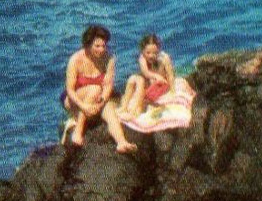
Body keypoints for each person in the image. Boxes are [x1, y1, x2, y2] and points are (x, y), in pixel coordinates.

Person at [63, 24, 136, 152]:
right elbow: (70, 89)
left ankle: (121, 142)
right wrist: (84, 106)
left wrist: (101, 102)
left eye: (103, 46)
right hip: (75, 99)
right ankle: (78, 131)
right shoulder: (75, 59)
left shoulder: (109, 59)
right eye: (97, 46)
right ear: (88, 44)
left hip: (97, 99)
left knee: (109, 111)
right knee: (95, 89)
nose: (101, 49)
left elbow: (108, 86)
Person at [121, 33, 182, 118]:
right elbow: (146, 72)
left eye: (155, 53)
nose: (151, 56)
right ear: (142, 51)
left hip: (161, 86)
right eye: (148, 52)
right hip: (149, 84)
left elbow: (170, 75)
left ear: (159, 50)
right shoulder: (142, 58)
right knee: (132, 79)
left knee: (140, 84)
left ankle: (135, 112)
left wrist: (173, 91)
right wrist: (156, 76)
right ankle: (123, 108)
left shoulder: (164, 58)